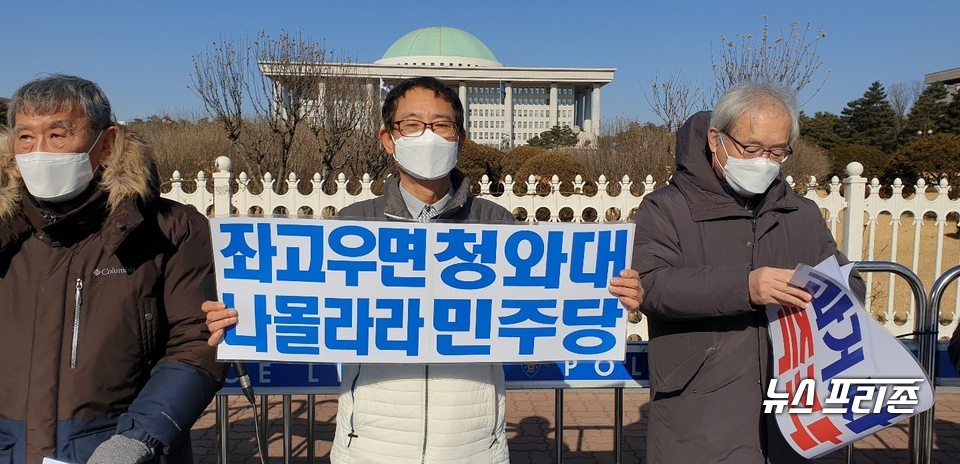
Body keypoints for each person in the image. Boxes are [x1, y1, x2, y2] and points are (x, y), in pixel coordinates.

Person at [205, 76, 643, 463]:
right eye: (411, 124)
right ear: (388, 139)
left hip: (475, 447)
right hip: (369, 445)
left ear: (460, 138)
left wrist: (615, 297)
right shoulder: (350, 226)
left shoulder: (497, 226)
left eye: (441, 124)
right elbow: (292, 300)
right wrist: (239, 312)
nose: (428, 136)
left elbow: (549, 305)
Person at [631, 84, 865, 463]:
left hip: (794, 406)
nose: (763, 161)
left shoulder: (801, 213)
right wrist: (745, 286)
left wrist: (821, 290)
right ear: (716, 139)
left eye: (776, 151)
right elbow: (653, 284)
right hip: (700, 404)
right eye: (751, 148)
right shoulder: (666, 208)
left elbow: (848, 283)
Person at [0, 74, 227, 463]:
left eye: (58, 135)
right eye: (25, 137)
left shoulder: (170, 229)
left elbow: (195, 340)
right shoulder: (7, 231)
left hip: (116, 446)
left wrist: (139, 438)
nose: (39, 152)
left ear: (105, 143)